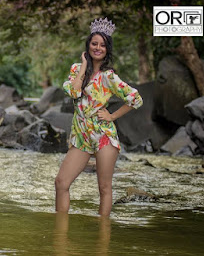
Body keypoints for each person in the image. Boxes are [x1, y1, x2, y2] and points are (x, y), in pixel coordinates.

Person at [55, 18, 143, 217]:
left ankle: (102, 241)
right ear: (88, 45)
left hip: (103, 136)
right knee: (61, 183)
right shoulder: (77, 69)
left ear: (107, 49)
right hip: (81, 136)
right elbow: (73, 92)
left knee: (104, 188)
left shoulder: (109, 77)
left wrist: (112, 115)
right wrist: (85, 65)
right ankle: (59, 235)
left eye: (102, 45)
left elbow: (135, 99)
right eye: (94, 43)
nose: (98, 48)